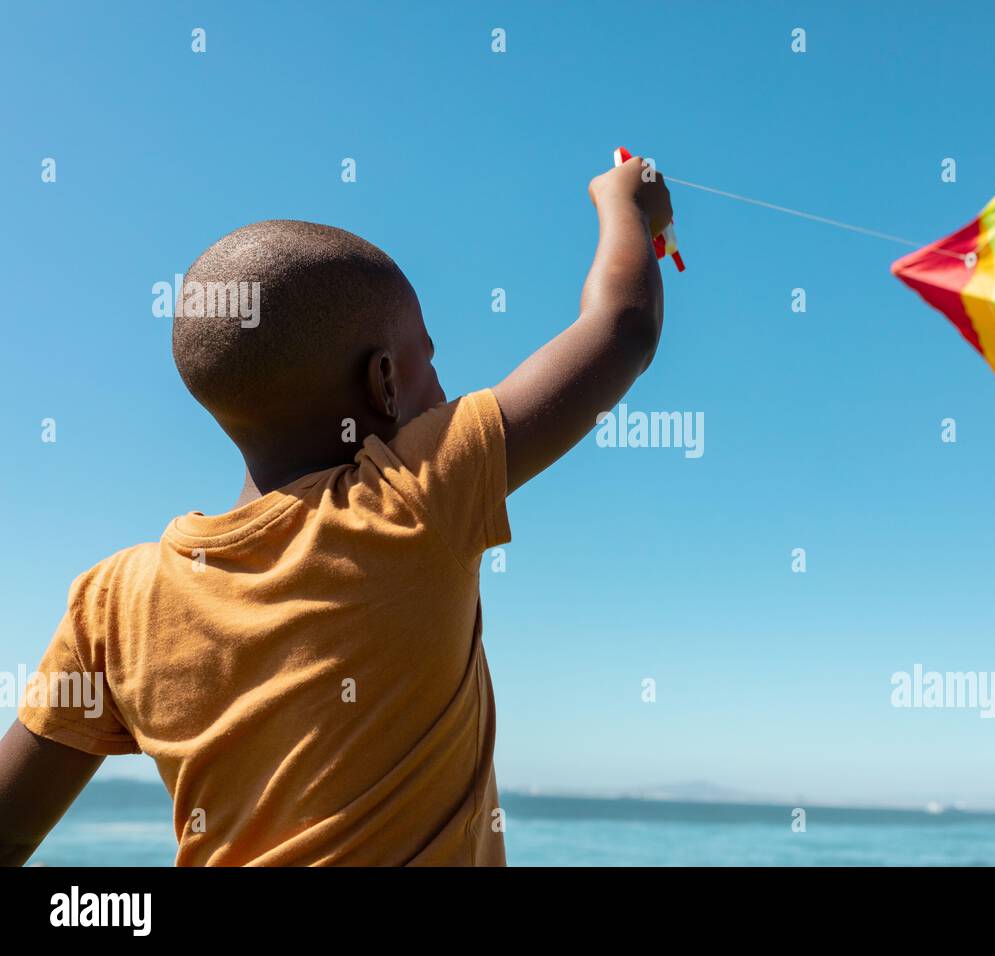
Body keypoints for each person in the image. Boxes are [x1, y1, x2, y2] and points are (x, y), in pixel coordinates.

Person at [0, 158, 672, 866]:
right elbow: (621, 329)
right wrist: (624, 201)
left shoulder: (110, 603)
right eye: (428, 364)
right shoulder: (412, 495)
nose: (445, 393)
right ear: (383, 382)